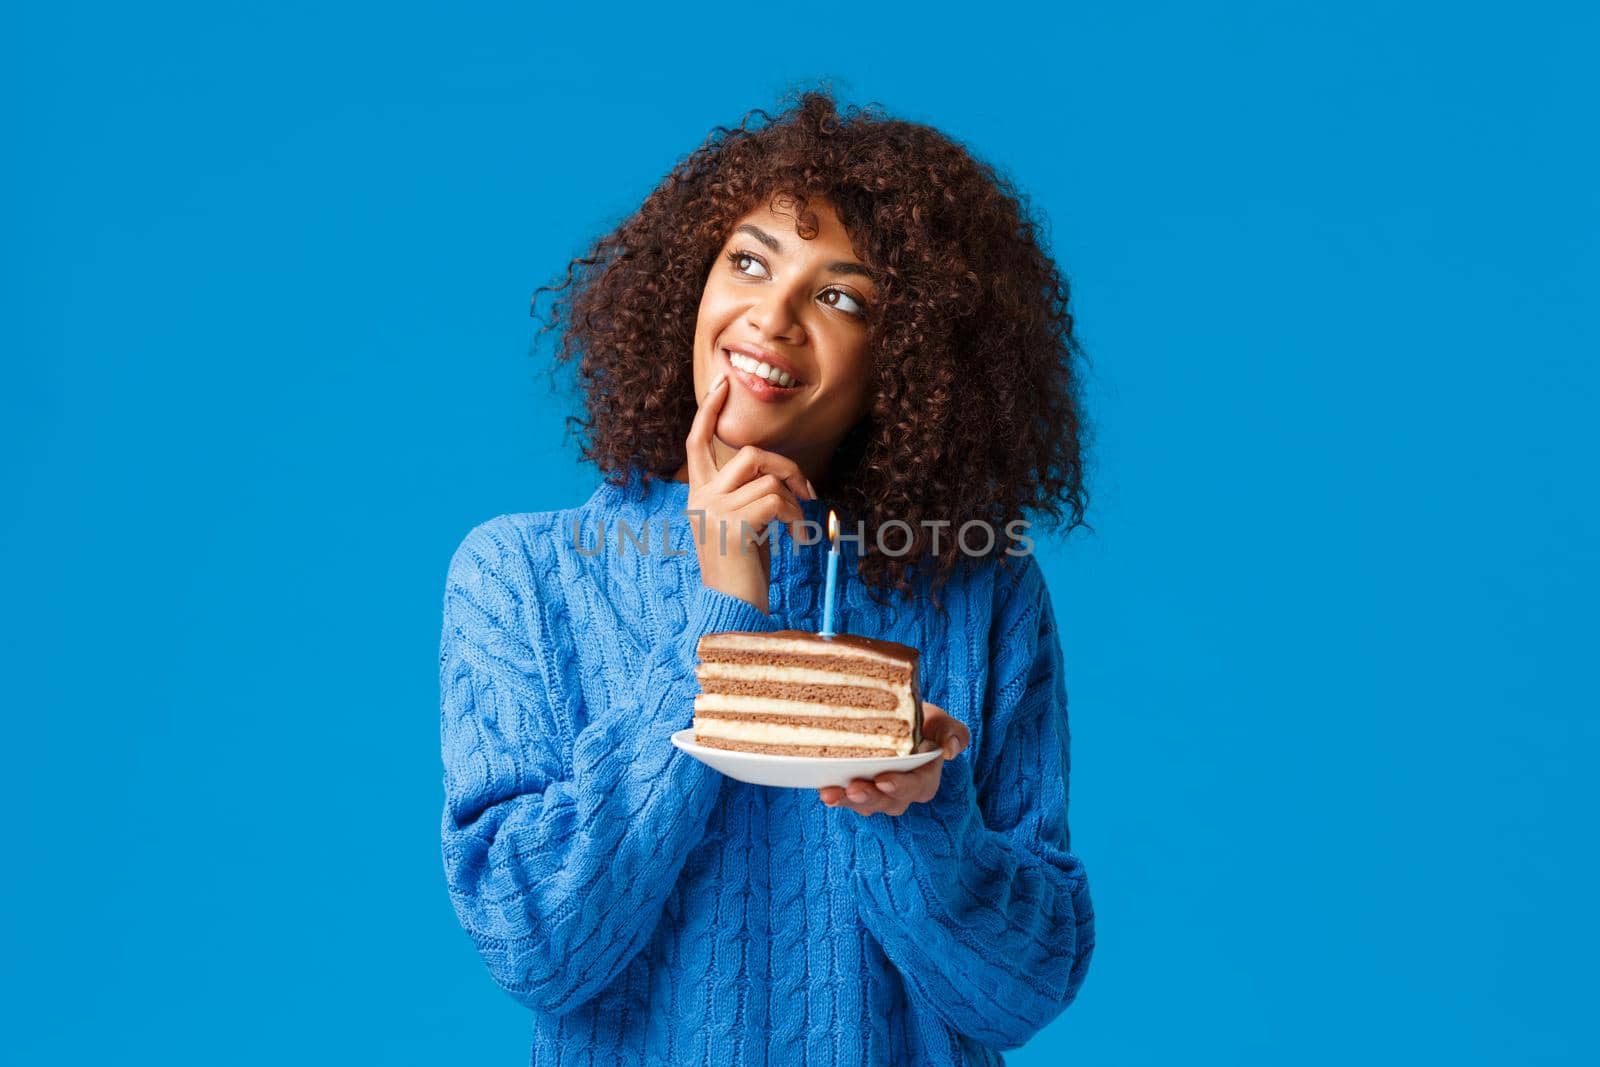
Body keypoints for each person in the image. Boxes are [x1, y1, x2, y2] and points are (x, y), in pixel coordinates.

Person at [438, 89, 1095, 1066]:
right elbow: (537, 947)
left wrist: (921, 815)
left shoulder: (982, 588)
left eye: (839, 295)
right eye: (747, 261)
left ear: (907, 360)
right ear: (685, 285)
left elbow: (1022, 990)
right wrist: (721, 604)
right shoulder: (522, 574)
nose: (771, 315)